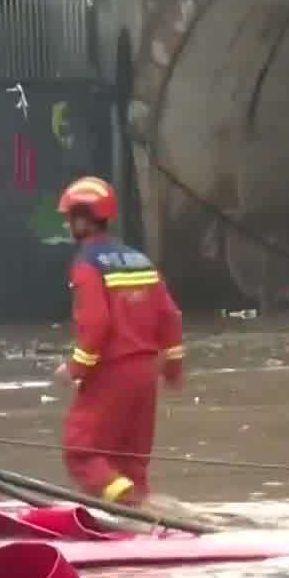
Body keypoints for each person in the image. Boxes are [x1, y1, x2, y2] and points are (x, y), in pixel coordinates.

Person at [57, 176, 184, 506]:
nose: (69, 224)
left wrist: (75, 369)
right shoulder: (140, 260)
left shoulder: (87, 265)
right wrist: (172, 367)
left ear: (83, 219)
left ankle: (128, 505)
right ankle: (143, 516)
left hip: (112, 373)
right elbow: (170, 316)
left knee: (80, 452)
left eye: (70, 217)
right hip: (146, 374)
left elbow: (96, 325)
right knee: (130, 460)